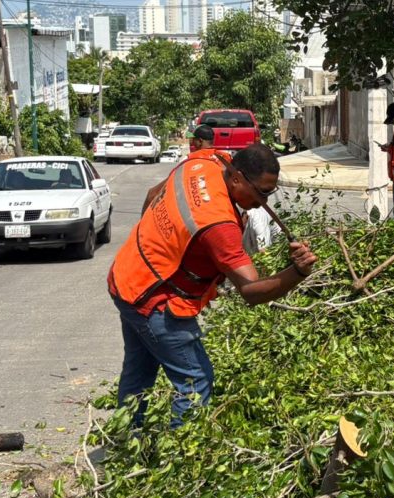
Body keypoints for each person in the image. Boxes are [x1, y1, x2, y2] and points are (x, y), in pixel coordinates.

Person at [108, 143, 317, 428]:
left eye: (271, 192)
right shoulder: (219, 226)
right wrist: (297, 272)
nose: (265, 202)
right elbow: (251, 292)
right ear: (236, 178)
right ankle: (183, 461)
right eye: (262, 192)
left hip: (127, 277)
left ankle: (124, 441)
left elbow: (151, 195)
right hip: (153, 300)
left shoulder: (204, 162)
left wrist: (160, 244)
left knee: (139, 370)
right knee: (196, 381)